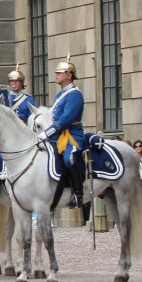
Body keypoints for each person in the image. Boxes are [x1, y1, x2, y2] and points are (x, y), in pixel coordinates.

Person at [35, 56, 89, 208]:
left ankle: (78, 194)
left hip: (72, 134)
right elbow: (54, 116)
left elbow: (66, 119)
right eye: (56, 72)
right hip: (58, 135)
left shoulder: (75, 95)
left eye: (60, 72)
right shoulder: (60, 95)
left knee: (69, 159)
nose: (56, 75)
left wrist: (48, 132)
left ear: (69, 75)